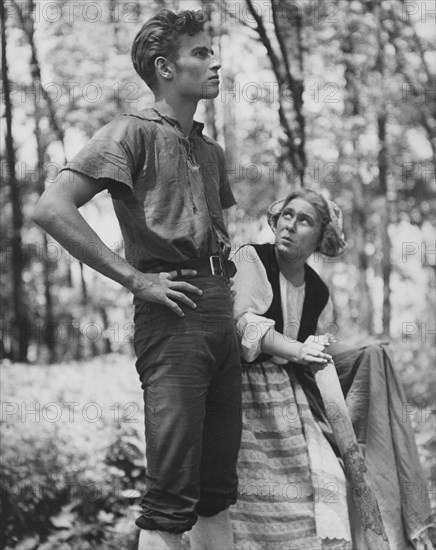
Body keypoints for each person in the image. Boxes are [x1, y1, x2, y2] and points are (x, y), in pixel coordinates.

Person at [32, 9, 242, 550]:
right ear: (164, 68)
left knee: (216, 490)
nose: (215, 61)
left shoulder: (209, 149)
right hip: (172, 316)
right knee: (170, 496)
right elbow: (52, 209)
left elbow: (225, 237)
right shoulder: (128, 132)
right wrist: (135, 280)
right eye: (200, 53)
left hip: (223, 315)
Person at [230, 188, 433, 550]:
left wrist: (367, 352)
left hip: (288, 396)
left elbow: (318, 342)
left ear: (320, 238)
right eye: (287, 216)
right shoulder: (253, 258)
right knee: (253, 500)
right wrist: (296, 350)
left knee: (325, 489)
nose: (289, 226)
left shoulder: (318, 290)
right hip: (242, 392)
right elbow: (244, 322)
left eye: (303, 220)